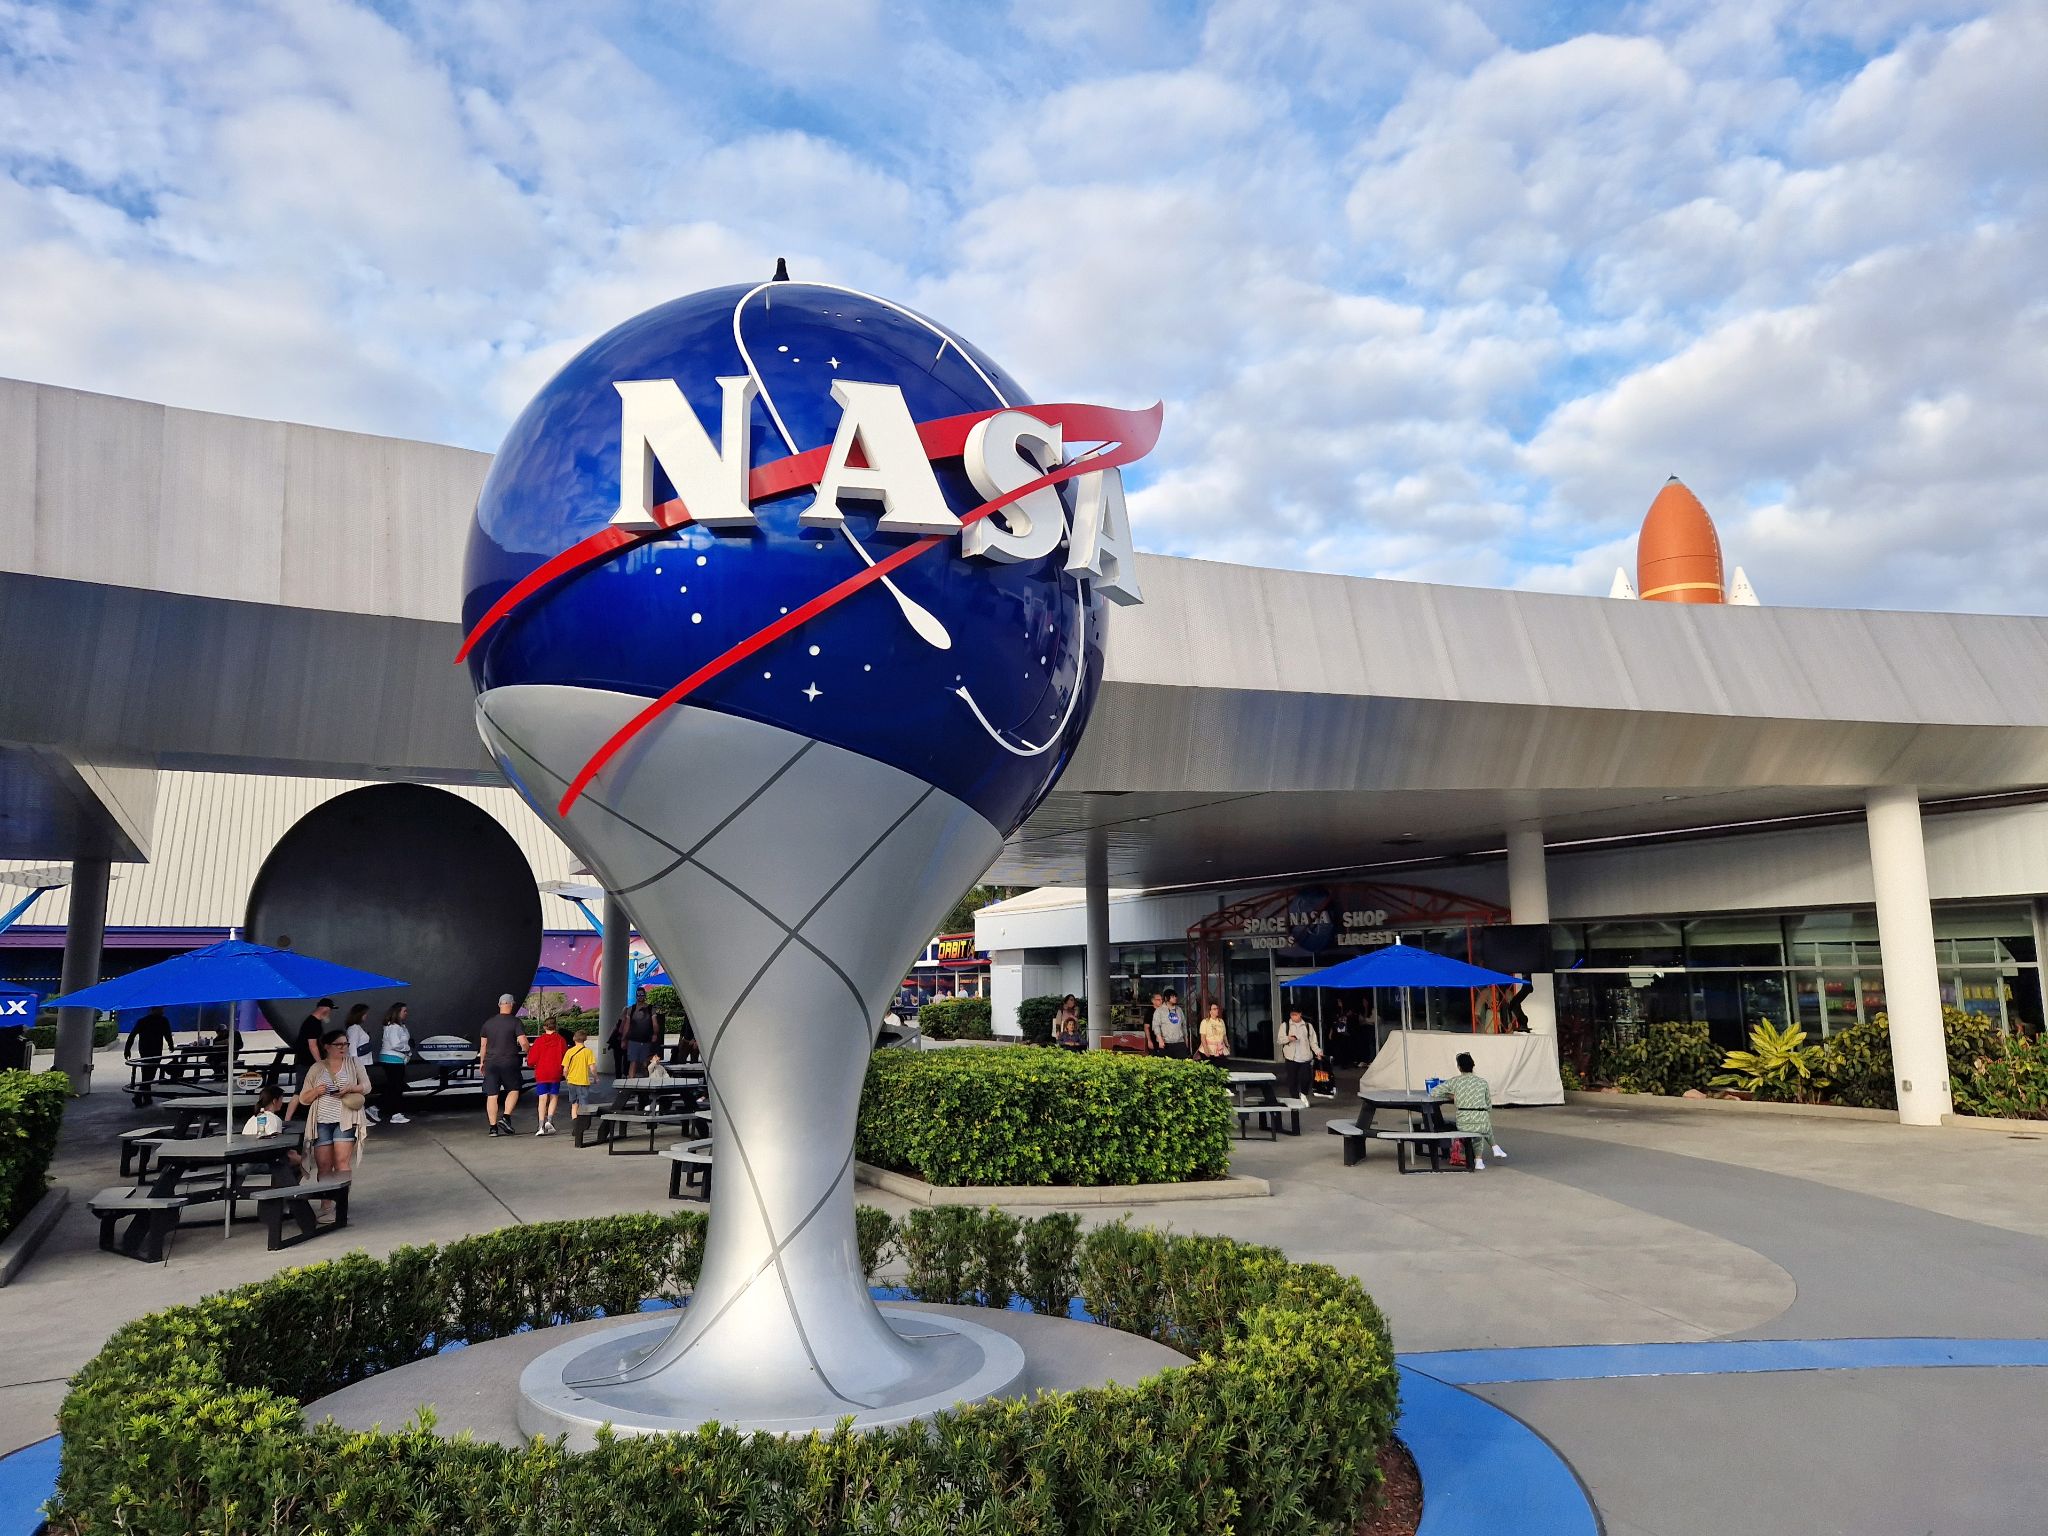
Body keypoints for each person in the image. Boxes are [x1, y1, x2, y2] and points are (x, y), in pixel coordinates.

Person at [290, 1029, 370, 1200]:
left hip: (345, 1119)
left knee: (342, 1163)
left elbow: (367, 1086)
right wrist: (316, 1091)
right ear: (327, 1047)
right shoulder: (317, 1068)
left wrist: (350, 1088)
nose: (343, 1048)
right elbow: (303, 1098)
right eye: (338, 1044)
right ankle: (327, 1203)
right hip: (322, 1121)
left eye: (345, 1044)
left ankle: (341, 1202)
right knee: (324, 1165)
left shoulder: (354, 1063)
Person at [1431, 1051, 1507, 1170]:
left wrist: (1452, 1096)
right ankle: (1483, 1156)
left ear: (1459, 1067)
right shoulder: (1482, 1082)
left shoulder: (1455, 1081)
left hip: (1463, 1122)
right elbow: (1489, 1106)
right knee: (1482, 1123)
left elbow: (1434, 1092)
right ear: (1473, 1065)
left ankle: (1486, 1155)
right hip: (1482, 1122)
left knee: (1476, 1123)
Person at [479, 993, 528, 1136]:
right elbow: (523, 1042)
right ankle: (506, 1117)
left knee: (492, 1094)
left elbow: (483, 1046)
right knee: (514, 1089)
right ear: (512, 1005)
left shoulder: (488, 1023)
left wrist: (482, 1062)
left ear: (499, 1005)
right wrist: (528, 1051)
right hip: (509, 1061)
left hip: (490, 1062)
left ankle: (493, 1128)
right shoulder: (515, 1022)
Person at [124, 1006, 176, 1105]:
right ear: (154, 1010)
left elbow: (132, 1035)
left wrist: (127, 1049)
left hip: (147, 1049)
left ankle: (146, 1096)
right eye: (160, 1009)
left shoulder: (144, 1021)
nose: (162, 1011)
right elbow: (167, 1034)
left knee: (147, 1073)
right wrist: (171, 1045)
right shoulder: (162, 1021)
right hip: (153, 1050)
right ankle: (140, 1096)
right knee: (149, 1074)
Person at [527, 1019, 567, 1135]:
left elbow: (532, 1059)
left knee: (542, 1099)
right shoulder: (561, 1040)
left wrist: (530, 1063)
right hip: (555, 1071)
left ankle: (540, 1126)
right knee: (554, 1096)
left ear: (545, 1027)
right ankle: (549, 1120)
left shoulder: (539, 1041)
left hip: (542, 1072)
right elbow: (565, 1056)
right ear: (556, 1027)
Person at [375, 1002, 412, 1125]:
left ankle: (378, 1108)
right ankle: (393, 1113)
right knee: (396, 1087)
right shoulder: (394, 1027)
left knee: (394, 1086)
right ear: (397, 1012)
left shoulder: (398, 1026)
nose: (406, 1013)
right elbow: (395, 1044)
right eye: (404, 1011)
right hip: (392, 1059)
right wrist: (407, 1048)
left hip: (395, 1059)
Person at [342, 1004, 378, 1122]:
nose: (366, 1016)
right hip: (359, 1063)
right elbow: (352, 1049)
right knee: (361, 1090)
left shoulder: (355, 1028)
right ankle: (360, 1116)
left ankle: (363, 1113)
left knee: (364, 1090)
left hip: (363, 1062)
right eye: (365, 1014)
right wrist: (355, 1065)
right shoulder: (354, 1029)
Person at [1278, 1005, 1321, 1100]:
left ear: (1300, 1014)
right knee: (1292, 1080)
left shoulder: (1307, 1026)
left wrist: (1317, 1051)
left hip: (1305, 1057)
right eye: (1292, 1015)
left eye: (1295, 1014)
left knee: (1306, 1078)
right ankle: (1295, 1098)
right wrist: (1288, 1038)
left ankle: (1303, 1094)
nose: (1293, 1017)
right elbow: (1280, 1040)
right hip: (1291, 1057)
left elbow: (1313, 1041)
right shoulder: (1285, 1025)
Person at [563, 1027, 599, 1135]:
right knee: (584, 1105)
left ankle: (575, 1125)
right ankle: (584, 1124)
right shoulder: (588, 1052)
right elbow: (592, 1067)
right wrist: (596, 1077)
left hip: (571, 1081)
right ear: (585, 1039)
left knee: (574, 1103)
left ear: (574, 1039)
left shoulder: (569, 1051)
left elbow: (565, 1069)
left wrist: (566, 1078)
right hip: (583, 1081)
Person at [294, 999, 333, 1077]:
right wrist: (320, 1063)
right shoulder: (313, 1023)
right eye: (330, 1009)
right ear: (325, 1009)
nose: (330, 1013)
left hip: (306, 1062)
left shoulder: (314, 1022)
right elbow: (312, 1046)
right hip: (307, 1062)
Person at [624, 997, 659, 1078]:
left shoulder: (631, 1009)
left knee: (633, 1062)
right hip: (646, 1039)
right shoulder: (651, 1009)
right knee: (646, 1062)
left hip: (634, 1039)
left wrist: (624, 1038)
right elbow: (655, 1024)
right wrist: (655, 1034)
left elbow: (627, 1025)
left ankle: (631, 1082)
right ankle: (647, 1081)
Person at [1153, 989, 1189, 1059]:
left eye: (1175, 996)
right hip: (1166, 1043)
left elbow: (1184, 1025)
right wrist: (1160, 1040)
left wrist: (1186, 1040)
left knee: (1182, 1064)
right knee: (1166, 1065)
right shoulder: (1159, 1010)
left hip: (1179, 1042)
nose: (1175, 998)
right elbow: (1156, 1026)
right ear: (1166, 998)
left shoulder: (1179, 1010)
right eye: (1172, 996)